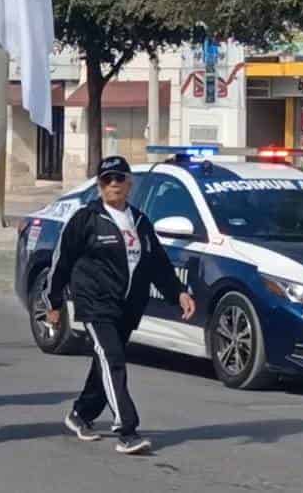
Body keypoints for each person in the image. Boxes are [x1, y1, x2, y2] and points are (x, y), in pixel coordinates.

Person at [47, 155, 195, 456]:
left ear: (130, 183)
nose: (113, 185)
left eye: (119, 179)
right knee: (113, 358)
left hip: (128, 306)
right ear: (99, 186)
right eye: (106, 180)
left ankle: (81, 414)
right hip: (95, 302)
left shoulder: (140, 220)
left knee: (104, 361)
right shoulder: (85, 219)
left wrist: (178, 293)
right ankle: (126, 430)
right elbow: (61, 263)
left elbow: (157, 263)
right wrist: (54, 301)